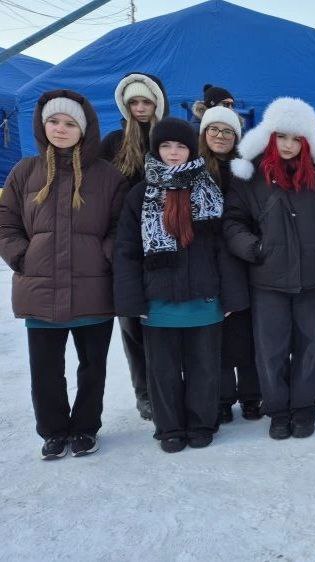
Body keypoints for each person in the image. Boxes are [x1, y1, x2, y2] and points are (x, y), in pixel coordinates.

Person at [0, 90, 128, 459]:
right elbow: (6, 222)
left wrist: (104, 257)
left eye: (70, 123)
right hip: (40, 288)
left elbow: (120, 226)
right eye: (53, 121)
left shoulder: (107, 176)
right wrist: (21, 256)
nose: (60, 128)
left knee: (93, 367)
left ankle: (86, 428)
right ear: (42, 126)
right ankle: (53, 431)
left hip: (93, 288)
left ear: (84, 129)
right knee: (45, 370)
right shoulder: (25, 172)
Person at [114, 117, 247, 453]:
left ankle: (202, 423)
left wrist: (230, 295)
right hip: (158, 301)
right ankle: (170, 428)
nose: (173, 153)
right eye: (166, 146)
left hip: (205, 298)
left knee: (205, 368)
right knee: (163, 371)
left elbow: (223, 249)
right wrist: (132, 303)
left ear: (191, 150)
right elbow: (127, 252)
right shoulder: (140, 194)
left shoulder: (208, 190)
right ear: (156, 149)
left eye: (180, 146)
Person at [222, 97, 315, 440]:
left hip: (312, 279)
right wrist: (254, 248)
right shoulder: (251, 177)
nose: (289, 145)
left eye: (296, 138)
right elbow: (233, 221)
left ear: (306, 141)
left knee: (311, 346)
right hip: (268, 280)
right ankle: (278, 409)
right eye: (282, 137)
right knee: (271, 349)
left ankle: (304, 407)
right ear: (270, 137)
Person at [99, 72, 169, 422]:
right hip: (125, 245)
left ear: (158, 103)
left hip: (167, 244)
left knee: (166, 323)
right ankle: (144, 393)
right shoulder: (113, 143)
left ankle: (168, 388)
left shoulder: (169, 139)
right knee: (132, 324)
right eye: (134, 103)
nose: (140, 108)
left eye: (146, 102)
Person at [197, 106, 262, 424]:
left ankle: (251, 394)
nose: (220, 136)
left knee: (246, 330)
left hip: (242, 256)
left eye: (227, 131)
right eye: (214, 129)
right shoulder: (194, 169)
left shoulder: (247, 169)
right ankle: (223, 397)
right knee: (215, 331)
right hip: (206, 257)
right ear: (204, 133)